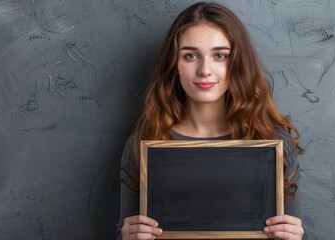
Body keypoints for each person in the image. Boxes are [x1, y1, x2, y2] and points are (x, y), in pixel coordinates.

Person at [116, 2, 304, 239]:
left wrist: (296, 236)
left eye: (220, 55)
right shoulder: (143, 143)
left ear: (237, 63)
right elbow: (121, 233)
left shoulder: (272, 141)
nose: (205, 69)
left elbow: (298, 233)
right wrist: (128, 236)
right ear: (174, 65)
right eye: (191, 55)